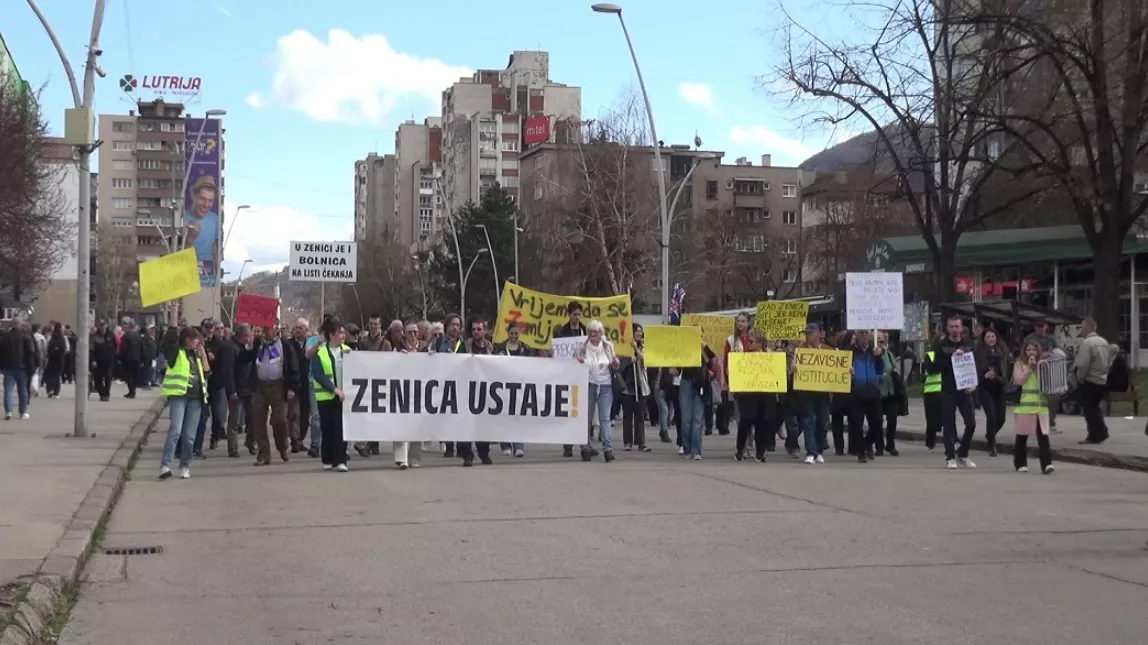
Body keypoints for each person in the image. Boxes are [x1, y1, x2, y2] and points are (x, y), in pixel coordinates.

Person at [158, 326, 209, 480]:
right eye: (196, 339)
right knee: (176, 430)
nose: (198, 342)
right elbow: (169, 341)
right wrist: (173, 318)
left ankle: (185, 465)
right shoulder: (177, 352)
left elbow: (206, 371)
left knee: (189, 435)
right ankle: (165, 465)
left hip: (196, 399)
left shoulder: (197, 355)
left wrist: (203, 354)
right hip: (179, 396)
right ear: (187, 339)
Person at [928, 314, 978, 469]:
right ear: (947, 328)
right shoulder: (941, 345)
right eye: (952, 326)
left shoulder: (968, 345)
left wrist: (974, 383)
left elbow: (974, 365)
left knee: (971, 423)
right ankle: (950, 456)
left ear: (962, 327)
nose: (955, 329)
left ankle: (963, 453)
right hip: (948, 389)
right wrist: (952, 359)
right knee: (949, 423)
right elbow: (932, 367)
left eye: (957, 326)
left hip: (964, 389)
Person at [251, 325, 300, 466]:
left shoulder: (285, 345)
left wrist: (292, 387)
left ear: (276, 330)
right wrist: (249, 344)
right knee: (258, 420)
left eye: (269, 329)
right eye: (264, 329)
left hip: (279, 386)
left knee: (279, 420)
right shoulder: (257, 344)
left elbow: (293, 367)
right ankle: (264, 453)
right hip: (260, 386)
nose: (266, 331)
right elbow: (244, 359)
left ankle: (282, 447)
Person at [575, 320, 620, 462]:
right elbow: (573, 365)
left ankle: (608, 449)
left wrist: (615, 363)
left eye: (595, 331)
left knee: (605, 418)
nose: (592, 334)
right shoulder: (581, 347)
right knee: (586, 418)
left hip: (605, 385)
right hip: (588, 384)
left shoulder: (608, 347)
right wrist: (578, 361)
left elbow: (614, 364)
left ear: (601, 334)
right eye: (590, 331)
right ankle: (585, 448)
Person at [454, 319, 495, 466]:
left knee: (483, 423)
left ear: (484, 331)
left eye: (479, 329)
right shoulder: (465, 346)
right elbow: (455, 363)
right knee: (466, 423)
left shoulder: (490, 347)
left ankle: (484, 453)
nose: (476, 332)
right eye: (474, 330)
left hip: (484, 391)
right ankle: (467, 455)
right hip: (466, 390)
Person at [312, 319, 350, 472]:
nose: (343, 335)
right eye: (340, 332)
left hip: (344, 397)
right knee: (327, 428)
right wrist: (333, 389)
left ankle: (340, 460)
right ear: (331, 335)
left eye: (343, 332)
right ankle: (327, 458)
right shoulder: (320, 353)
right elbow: (318, 374)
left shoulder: (348, 350)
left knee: (341, 428)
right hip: (326, 397)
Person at [1012, 341, 1056, 474]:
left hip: (1040, 406)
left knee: (1043, 436)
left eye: (1034, 350)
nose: (1031, 353)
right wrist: (1028, 368)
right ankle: (1020, 463)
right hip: (1025, 406)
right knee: (1022, 436)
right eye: (1028, 350)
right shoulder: (1019, 364)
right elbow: (1018, 380)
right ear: (1024, 352)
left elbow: (1048, 382)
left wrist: (1037, 368)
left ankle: (1047, 464)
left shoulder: (1042, 365)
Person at [554, 301, 591, 459]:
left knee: (582, 411)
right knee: (568, 410)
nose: (577, 317)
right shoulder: (562, 332)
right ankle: (567, 445)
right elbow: (559, 351)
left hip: (583, 376)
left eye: (579, 314)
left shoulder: (586, 331)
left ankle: (584, 444)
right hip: (567, 376)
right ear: (569, 315)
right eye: (574, 314)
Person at [429, 313, 466, 459]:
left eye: (458, 325)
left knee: (461, 416)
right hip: (443, 383)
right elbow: (426, 356)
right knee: (447, 415)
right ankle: (449, 446)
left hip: (462, 383)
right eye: (453, 324)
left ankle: (462, 447)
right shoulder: (438, 343)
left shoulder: (464, 344)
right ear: (447, 326)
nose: (455, 328)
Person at [734, 331, 775, 463]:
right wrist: (732, 371)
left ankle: (760, 452)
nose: (749, 344)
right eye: (748, 341)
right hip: (747, 394)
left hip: (763, 394)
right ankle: (740, 450)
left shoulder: (769, 357)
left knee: (761, 423)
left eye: (751, 341)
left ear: (760, 343)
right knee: (745, 421)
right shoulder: (744, 357)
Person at [496, 321, 535, 458]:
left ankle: (518, 446)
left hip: (521, 387)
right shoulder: (499, 348)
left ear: (520, 334)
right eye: (511, 333)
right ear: (507, 333)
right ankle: (506, 445)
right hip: (503, 387)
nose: (513, 336)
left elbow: (533, 366)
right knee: (504, 415)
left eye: (516, 334)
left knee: (519, 416)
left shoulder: (526, 349)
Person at [389, 320, 425, 469]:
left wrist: (431, 356)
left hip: (420, 390)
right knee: (401, 423)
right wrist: (399, 357)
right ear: (404, 332)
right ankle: (401, 458)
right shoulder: (397, 347)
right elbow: (390, 364)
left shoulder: (424, 347)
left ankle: (415, 458)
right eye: (410, 332)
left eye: (415, 332)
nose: (413, 334)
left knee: (418, 425)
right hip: (402, 389)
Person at [846, 329, 884, 463]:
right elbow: (842, 371)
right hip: (857, 392)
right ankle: (861, 451)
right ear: (855, 334)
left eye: (866, 333)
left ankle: (868, 443)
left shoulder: (874, 351)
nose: (864, 335)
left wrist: (879, 356)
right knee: (856, 423)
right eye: (861, 333)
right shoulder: (849, 351)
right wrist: (848, 371)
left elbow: (880, 370)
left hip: (873, 391)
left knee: (877, 422)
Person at [795, 323, 831, 464]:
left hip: (824, 392)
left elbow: (837, 368)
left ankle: (819, 450)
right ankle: (811, 451)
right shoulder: (801, 351)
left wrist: (848, 371)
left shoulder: (829, 350)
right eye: (807, 333)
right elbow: (793, 369)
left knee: (822, 422)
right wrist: (793, 368)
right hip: (807, 392)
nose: (808, 336)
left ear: (819, 334)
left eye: (811, 333)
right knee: (809, 421)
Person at [1073, 316, 1111, 444]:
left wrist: (1080, 378)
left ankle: (1095, 435)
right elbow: (1108, 361)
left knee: (1089, 409)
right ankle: (1101, 431)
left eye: (1083, 327)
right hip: (1101, 379)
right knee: (1095, 408)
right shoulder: (1104, 342)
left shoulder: (1087, 343)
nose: (1082, 330)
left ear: (1087, 327)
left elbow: (1083, 364)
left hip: (1090, 379)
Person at [974, 328, 1011, 456]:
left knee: (1001, 418)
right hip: (985, 387)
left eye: (993, 337)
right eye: (988, 337)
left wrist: (998, 377)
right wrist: (984, 376)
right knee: (991, 415)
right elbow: (975, 370)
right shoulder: (978, 352)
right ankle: (992, 446)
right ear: (984, 339)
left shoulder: (1003, 351)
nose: (990, 339)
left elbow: (1006, 369)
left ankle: (990, 434)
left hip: (999, 386)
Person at [618, 323, 651, 452]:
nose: (638, 334)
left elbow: (646, 360)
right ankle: (627, 442)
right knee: (627, 415)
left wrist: (636, 350)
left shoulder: (643, 347)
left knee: (640, 415)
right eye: (636, 331)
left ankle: (641, 442)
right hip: (627, 385)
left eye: (640, 332)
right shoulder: (624, 348)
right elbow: (618, 363)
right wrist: (628, 358)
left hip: (641, 385)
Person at [1024, 319, 1061, 433]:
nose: (1039, 328)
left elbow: (1058, 351)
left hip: (1049, 371)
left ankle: (1050, 421)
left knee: (1052, 397)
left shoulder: (1051, 339)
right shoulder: (1029, 338)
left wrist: (1051, 353)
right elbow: (1023, 353)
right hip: (1034, 371)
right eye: (1037, 326)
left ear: (1045, 326)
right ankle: (1036, 423)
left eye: (1041, 326)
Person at [227, 324, 257, 458]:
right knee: (234, 420)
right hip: (237, 389)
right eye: (250, 335)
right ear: (244, 336)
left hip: (250, 389)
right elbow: (229, 370)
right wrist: (232, 390)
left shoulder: (247, 348)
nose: (251, 338)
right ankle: (233, 448)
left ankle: (250, 442)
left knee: (253, 419)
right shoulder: (231, 348)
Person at [677, 339, 710, 460]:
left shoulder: (706, 348)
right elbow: (677, 369)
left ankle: (696, 450)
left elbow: (710, 361)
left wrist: (702, 348)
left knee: (697, 418)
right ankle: (687, 448)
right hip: (686, 382)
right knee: (686, 419)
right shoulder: (684, 349)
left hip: (701, 383)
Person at [0, 319, 38, 419]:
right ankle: (23, 412)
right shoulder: (26, 336)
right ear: (20, 325)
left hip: (8, 367)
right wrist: (32, 366)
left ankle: (9, 411)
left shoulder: (5, 337)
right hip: (23, 368)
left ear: (11, 325)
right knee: (23, 390)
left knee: (8, 390)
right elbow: (31, 352)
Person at [185, 175, 220, 282]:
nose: (206, 205)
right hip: (188, 281)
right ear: (193, 196)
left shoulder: (214, 219)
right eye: (202, 199)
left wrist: (217, 281)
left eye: (210, 201)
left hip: (209, 281)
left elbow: (216, 250)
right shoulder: (182, 219)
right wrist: (190, 239)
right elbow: (175, 255)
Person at [875, 332, 902, 457]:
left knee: (892, 419)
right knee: (877, 420)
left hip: (891, 391)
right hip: (878, 392)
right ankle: (879, 446)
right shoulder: (873, 355)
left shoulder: (890, 355)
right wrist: (878, 377)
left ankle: (890, 444)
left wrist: (895, 371)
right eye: (879, 342)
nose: (882, 345)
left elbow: (894, 367)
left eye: (884, 342)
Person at [921, 335, 944, 452]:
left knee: (947, 418)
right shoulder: (930, 354)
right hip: (931, 391)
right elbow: (929, 369)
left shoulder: (949, 354)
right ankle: (930, 442)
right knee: (931, 419)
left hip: (945, 390)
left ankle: (951, 441)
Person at [89, 320, 116, 402]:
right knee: (97, 379)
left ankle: (106, 394)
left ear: (106, 325)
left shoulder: (111, 335)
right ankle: (102, 393)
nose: (102, 327)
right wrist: (93, 360)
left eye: (103, 325)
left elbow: (115, 347)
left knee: (108, 377)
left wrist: (113, 356)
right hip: (98, 361)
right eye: (100, 325)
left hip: (108, 360)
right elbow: (92, 349)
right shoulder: (95, 336)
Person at [118, 320, 144, 399]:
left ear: (129, 326)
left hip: (128, 358)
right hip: (137, 358)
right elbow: (142, 348)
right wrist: (142, 359)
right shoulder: (138, 336)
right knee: (135, 375)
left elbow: (123, 348)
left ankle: (131, 391)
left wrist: (120, 357)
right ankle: (133, 390)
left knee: (129, 375)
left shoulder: (126, 336)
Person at [44, 323, 68, 398]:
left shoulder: (50, 337)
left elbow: (46, 347)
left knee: (50, 374)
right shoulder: (64, 338)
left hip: (51, 358)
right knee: (57, 375)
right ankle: (56, 392)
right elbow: (67, 349)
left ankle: (50, 389)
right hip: (60, 359)